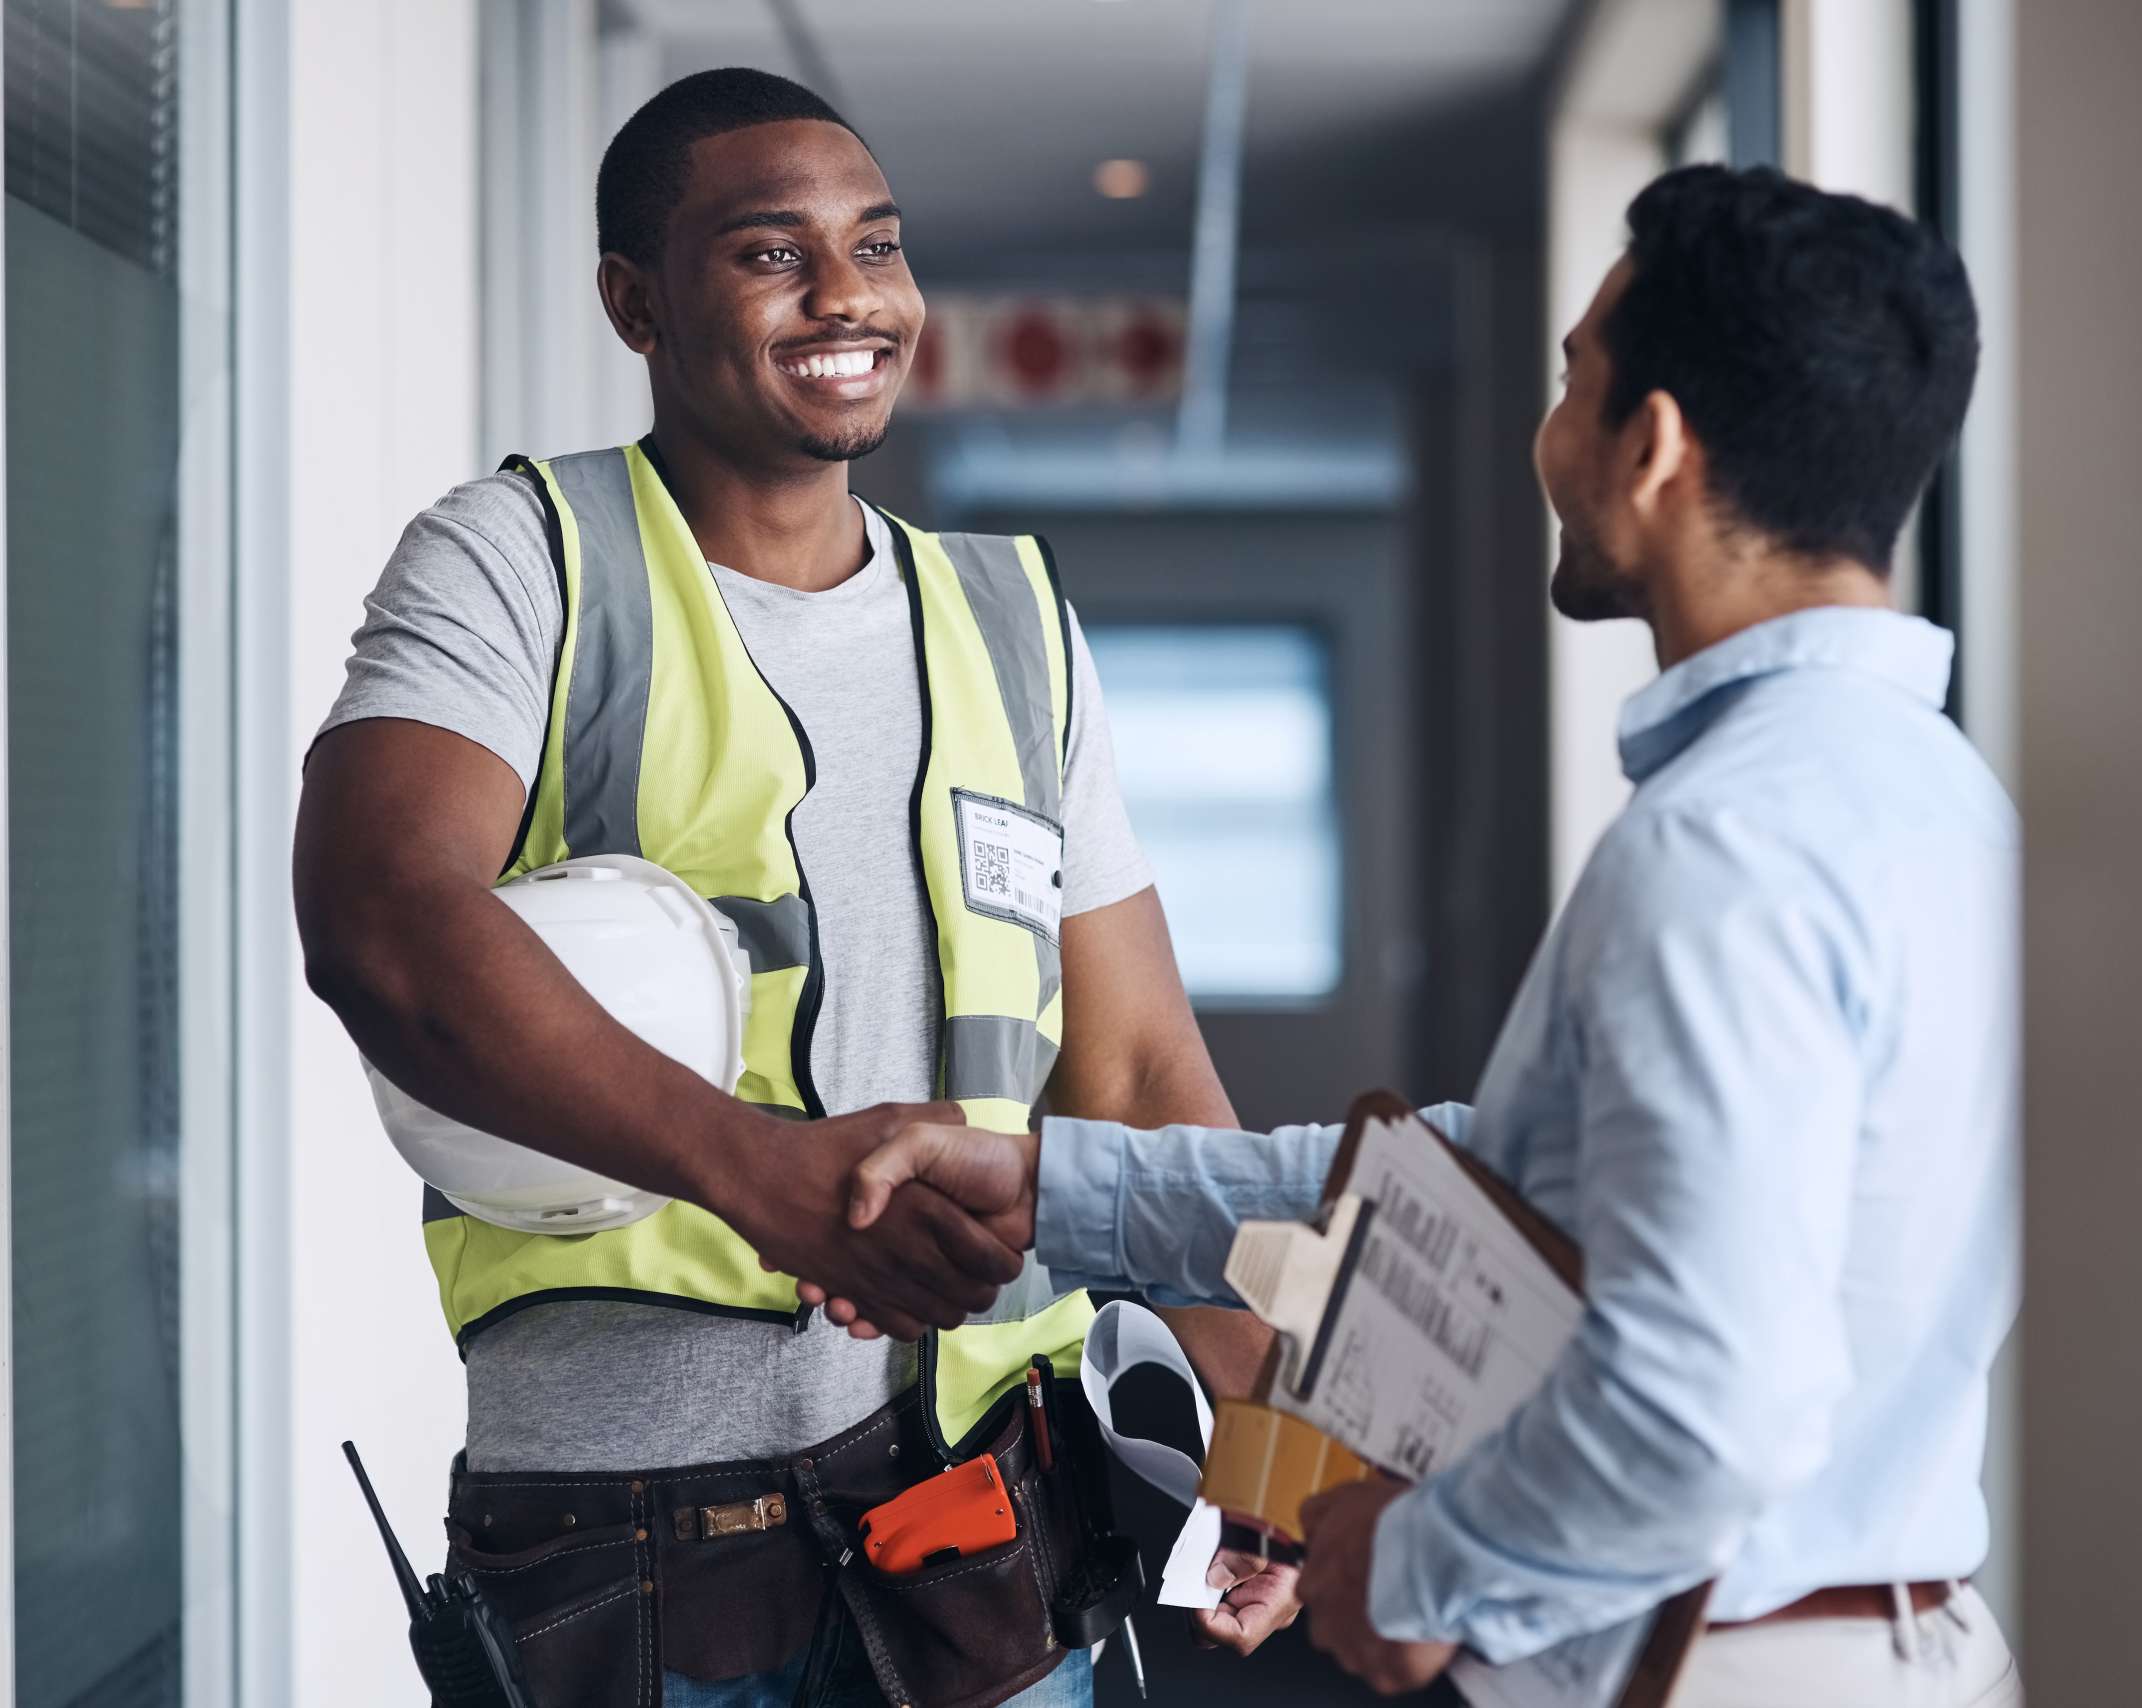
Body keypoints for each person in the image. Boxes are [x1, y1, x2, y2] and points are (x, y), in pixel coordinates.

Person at [811, 164, 2022, 1707]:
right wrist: (1054, 1187)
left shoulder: (1725, 845)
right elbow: (1510, 1186)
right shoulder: (1939, 804)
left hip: (1716, 1668)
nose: (1550, 435)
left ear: (1650, 448)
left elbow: (1707, 1404)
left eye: (1575, 378)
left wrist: (1423, 1560)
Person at [295, 67, 1285, 1708]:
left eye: (876, 245)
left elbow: (1142, 1073)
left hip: (993, 1547)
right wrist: (761, 1176)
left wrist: (1275, 1447)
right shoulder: (522, 559)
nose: (848, 297)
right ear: (636, 303)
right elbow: (382, 919)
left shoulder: (1014, 618)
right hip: (638, 1567)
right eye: (772, 253)